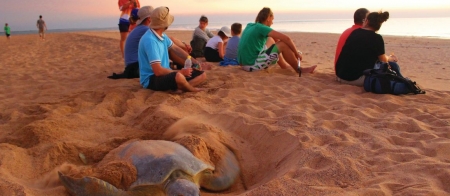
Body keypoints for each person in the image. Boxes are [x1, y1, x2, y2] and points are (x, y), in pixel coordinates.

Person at [107, 6, 197, 79]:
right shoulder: (146, 30)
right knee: (168, 49)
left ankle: (189, 66)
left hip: (132, 66)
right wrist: (185, 46)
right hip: (135, 67)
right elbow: (171, 40)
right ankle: (190, 68)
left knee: (167, 48)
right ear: (149, 19)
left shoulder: (140, 29)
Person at [138, 6, 206, 92]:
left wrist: (195, 62)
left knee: (202, 74)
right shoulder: (150, 40)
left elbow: (176, 49)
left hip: (166, 73)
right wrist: (181, 72)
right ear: (164, 23)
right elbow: (158, 71)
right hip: (151, 78)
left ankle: (180, 87)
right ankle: (191, 89)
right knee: (179, 76)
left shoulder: (162, 35)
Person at [237, 7, 317, 74]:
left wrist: (277, 43)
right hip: (252, 65)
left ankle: (284, 66)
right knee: (282, 44)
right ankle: (299, 70)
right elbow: (286, 39)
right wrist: (296, 53)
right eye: (272, 19)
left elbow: (275, 39)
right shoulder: (261, 28)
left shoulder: (250, 25)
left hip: (243, 64)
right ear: (268, 18)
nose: (272, 22)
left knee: (271, 40)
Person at [335, 11, 403, 86]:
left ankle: (403, 82)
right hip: (355, 79)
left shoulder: (354, 33)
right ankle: (403, 82)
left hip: (340, 76)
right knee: (393, 65)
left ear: (367, 21)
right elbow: (383, 60)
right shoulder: (377, 38)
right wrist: (390, 58)